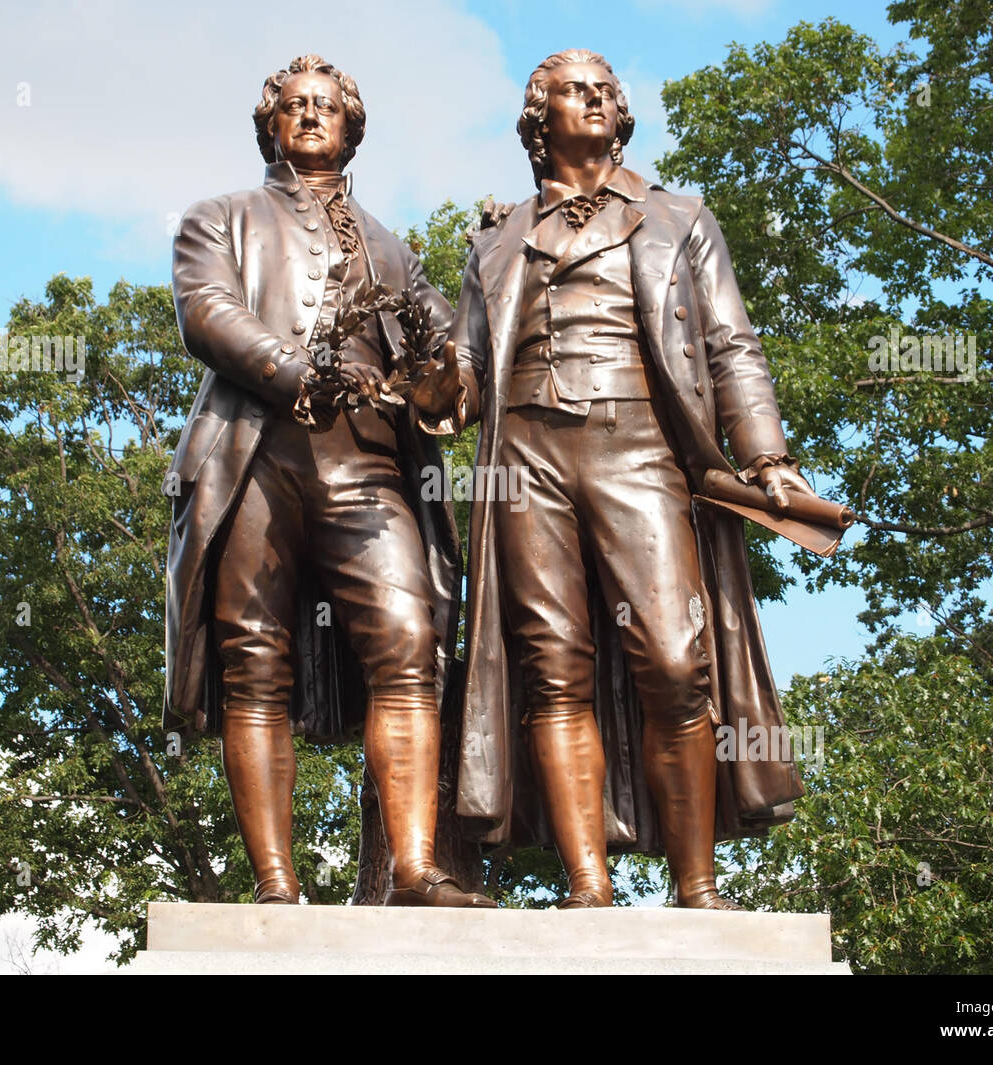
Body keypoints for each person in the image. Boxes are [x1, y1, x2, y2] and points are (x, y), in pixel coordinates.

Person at [411, 49, 815, 908]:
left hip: (641, 448)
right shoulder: (495, 237)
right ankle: (586, 885)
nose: (594, 98)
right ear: (537, 118)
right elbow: (467, 379)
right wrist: (439, 382)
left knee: (675, 663)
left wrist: (767, 455)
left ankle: (695, 884)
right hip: (525, 460)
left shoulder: (680, 217)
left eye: (606, 90)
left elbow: (730, 345)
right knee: (552, 668)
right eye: (572, 90)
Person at [165, 54, 492, 908]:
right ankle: (276, 882)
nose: (311, 117)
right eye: (295, 107)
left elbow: (446, 378)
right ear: (270, 125)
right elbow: (206, 309)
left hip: (368, 466)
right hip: (257, 454)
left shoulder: (394, 247)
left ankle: (415, 868)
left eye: (327, 107)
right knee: (254, 660)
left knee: (409, 642)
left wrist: (441, 376)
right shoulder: (218, 217)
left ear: (352, 128)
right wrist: (288, 368)